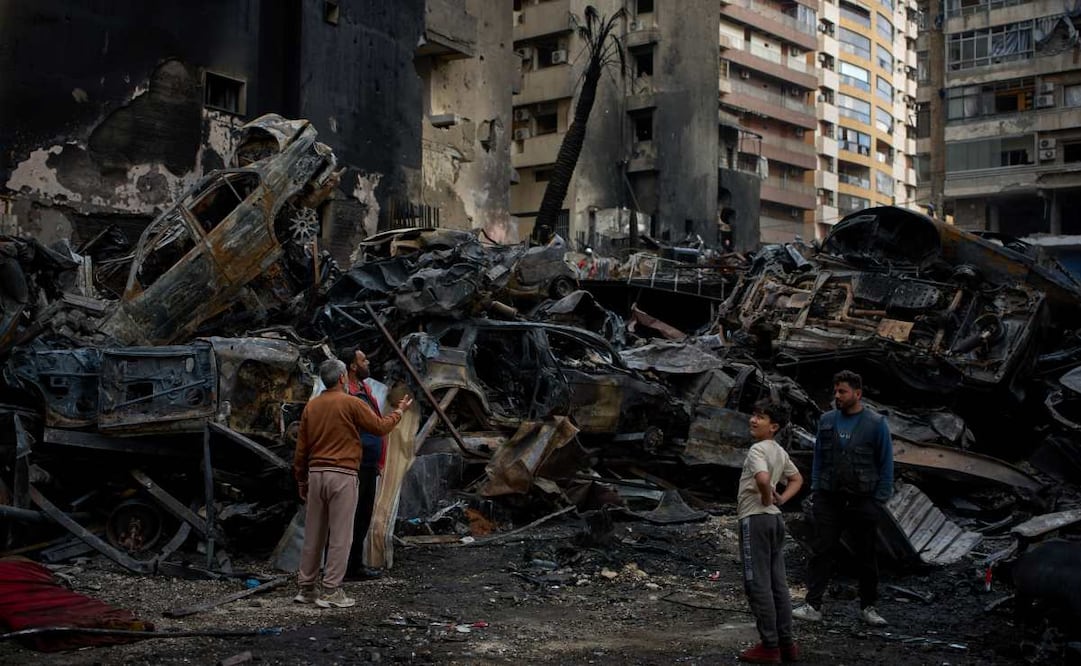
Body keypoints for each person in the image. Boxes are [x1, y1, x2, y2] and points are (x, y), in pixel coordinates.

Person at [292, 358, 413, 609]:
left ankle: (306, 588)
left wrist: (301, 479)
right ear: (342, 378)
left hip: (316, 473)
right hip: (343, 473)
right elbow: (379, 427)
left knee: (314, 532)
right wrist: (399, 411)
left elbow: (301, 449)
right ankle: (331, 590)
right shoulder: (351, 403)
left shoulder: (312, 407)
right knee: (341, 534)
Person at [792, 370, 893, 627]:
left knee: (866, 556)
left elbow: (886, 463)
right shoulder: (826, 421)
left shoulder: (876, 424)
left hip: (863, 500)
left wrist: (878, 499)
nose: (836, 396)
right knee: (822, 551)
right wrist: (816, 489)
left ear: (857, 394)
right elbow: (818, 459)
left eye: (842, 392)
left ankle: (868, 607)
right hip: (829, 498)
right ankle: (812, 605)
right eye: (835, 391)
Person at [736, 399, 804, 664]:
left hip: (756, 519)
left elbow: (763, 479)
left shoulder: (757, 450)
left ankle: (770, 646)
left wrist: (766, 497)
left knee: (757, 584)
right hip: (775, 522)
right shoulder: (778, 451)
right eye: (753, 414)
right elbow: (797, 479)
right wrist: (783, 499)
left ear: (773, 426)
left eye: (760, 417)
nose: (753, 420)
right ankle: (787, 644)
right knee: (779, 584)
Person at [343, 348, 387, 581]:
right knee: (350, 515)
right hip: (354, 463)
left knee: (363, 515)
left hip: (369, 464)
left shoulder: (365, 390)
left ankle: (355, 565)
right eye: (363, 360)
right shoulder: (346, 393)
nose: (367, 362)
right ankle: (345, 567)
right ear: (352, 366)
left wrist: (380, 460)